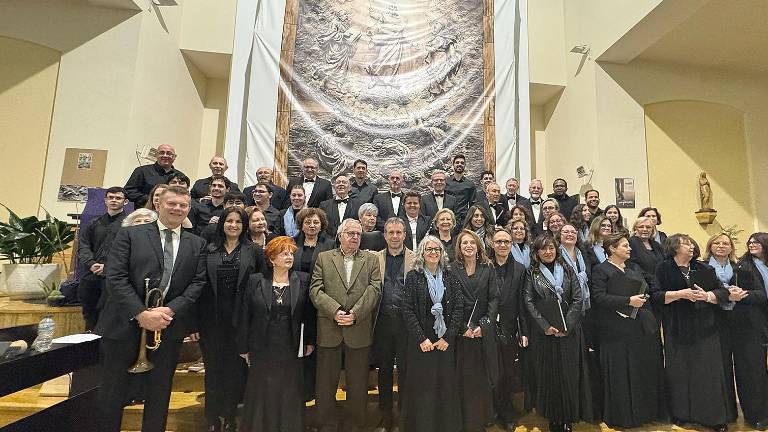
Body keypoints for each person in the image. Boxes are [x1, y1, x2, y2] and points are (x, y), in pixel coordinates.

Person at [96, 186, 207, 432]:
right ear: (158, 205)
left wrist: (168, 311)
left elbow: (197, 282)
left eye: (183, 205)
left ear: (188, 209)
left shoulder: (196, 243)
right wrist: (141, 313)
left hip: (167, 326)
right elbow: (115, 277)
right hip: (123, 324)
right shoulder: (131, 234)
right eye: (172, 204)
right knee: (112, 392)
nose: (177, 209)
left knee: (159, 393)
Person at [653, 234, 736, 432]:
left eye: (691, 244)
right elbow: (655, 296)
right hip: (677, 327)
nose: (691, 247)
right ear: (674, 247)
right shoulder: (663, 268)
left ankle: (713, 418)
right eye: (685, 244)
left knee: (708, 373)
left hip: (705, 327)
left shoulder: (704, 268)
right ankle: (682, 414)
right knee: (680, 373)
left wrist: (707, 296)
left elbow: (723, 293)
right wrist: (680, 294)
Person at [237, 236, 317, 432]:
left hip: (291, 344)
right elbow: (245, 313)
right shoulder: (256, 280)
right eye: (284, 253)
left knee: (289, 389)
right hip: (262, 345)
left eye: (291, 253)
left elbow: (309, 315)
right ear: (271, 259)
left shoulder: (303, 280)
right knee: (262, 388)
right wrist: (243, 346)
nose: (289, 256)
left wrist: (309, 341)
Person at [309, 219, 382, 432]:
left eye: (358, 234)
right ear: (340, 235)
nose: (355, 237)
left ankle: (355, 424)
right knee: (325, 382)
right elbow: (315, 290)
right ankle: (327, 424)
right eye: (350, 233)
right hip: (329, 328)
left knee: (358, 383)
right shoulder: (324, 258)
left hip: (358, 328)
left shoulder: (371, 260)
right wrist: (335, 312)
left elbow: (374, 290)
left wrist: (355, 314)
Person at [197, 207, 263, 431]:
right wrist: (194, 323)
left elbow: (261, 288)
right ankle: (212, 418)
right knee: (213, 371)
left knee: (235, 373)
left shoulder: (254, 251)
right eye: (229, 221)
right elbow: (199, 287)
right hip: (211, 321)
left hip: (241, 321)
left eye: (238, 221)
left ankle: (230, 416)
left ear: (244, 225)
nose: (233, 225)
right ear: (222, 224)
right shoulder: (208, 250)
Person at [590, 233, 665, 429]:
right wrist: (627, 301)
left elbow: (646, 288)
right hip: (614, 330)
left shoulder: (634, 267)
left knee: (640, 371)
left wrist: (641, 298)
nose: (629, 248)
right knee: (620, 373)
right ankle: (623, 416)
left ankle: (643, 413)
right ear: (612, 249)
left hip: (637, 327)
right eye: (625, 246)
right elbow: (598, 298)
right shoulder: (600, 270)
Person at [523, 234, 593, 432]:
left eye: (551, 248)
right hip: (544, 335)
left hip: (569, 334)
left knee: (569, 376)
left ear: (557, 249)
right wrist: (545, 326)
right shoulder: (532, 273)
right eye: (543, 249)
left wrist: (566, 326)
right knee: (549, 378)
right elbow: (528, 301)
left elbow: (578, 299)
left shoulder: (569, 270)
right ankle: (553, 418)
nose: (548, 252)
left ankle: (568, 418)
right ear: (537, 253)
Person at [399, 236, 464, 432]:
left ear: (442, 253)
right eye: (429, 249)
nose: (434, 252)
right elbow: (407, 309)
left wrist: (448, 337)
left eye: (437, 249)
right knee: (422, 389)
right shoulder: (413, 276)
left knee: (445, 388)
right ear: (422, 253)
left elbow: (459, 308)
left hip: (444, 343)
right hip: (422, 344)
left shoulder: (450, 277)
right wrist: (422, 339)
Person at [453, 229, 499, 432]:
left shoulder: (488, 268)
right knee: (462, 378)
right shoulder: (452, 269)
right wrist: (462, 327)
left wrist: (485, 325)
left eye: (472, 242)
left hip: (482, 331)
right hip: (461, 333)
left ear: (478, 246)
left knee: (481, 378)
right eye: (465, 243)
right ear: (460, 248)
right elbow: (450, 302)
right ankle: (463, 420)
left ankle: (481, 420)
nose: (469, 246)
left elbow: (494, 298)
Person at [373, 218, 415, 431]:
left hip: (407, 325)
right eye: (391, 232)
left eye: (399, 232)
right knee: (385, 370)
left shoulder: (415, 259)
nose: (395, 236)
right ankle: (386, 415)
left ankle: (406, 413)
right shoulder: (374, 259)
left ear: (405, 235)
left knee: (407, 371)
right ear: (385, 235)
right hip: (382, 324)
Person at [729, 233, 768, 429]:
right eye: (750, 242)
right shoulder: (743, 266)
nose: (752, 244)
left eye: (757, 242)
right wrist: (761, 296)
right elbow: (741, 295)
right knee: (752, 371)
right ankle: (756, 414)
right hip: (750, 323)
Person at [491, 228, 528, 432]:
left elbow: (523, 303)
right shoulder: (485, 266)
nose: (503, 245)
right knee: (490, 372)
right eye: (499, 242)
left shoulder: (521, 269)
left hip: (510, 328)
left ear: (512, 245)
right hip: (487, 328)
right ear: (492, 244)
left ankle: (506, 412)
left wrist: (524, 331)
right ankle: (491, 409)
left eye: (506, 241)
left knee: (507, 372)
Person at [77, 187, 128, 330]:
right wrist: (91, 263)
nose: (113, 200)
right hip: (91, 275)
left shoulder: (129, 225)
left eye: (118, 198)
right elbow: (84, 246)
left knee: (109, 315)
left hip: (114, 276)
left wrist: (108, 267)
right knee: (89, 314)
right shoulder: (94, 223)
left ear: (125, 202)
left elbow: (128, 252)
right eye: (110, 197)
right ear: (105, 200)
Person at [444, 154, 476, 224]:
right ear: (453, 165)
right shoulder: (445, 182)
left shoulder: (470, 184)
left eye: (462, 163)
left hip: (463, 220)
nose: (459, 164)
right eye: (457, 162)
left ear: (465, 165)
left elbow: (473, 205)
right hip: (448, 219)